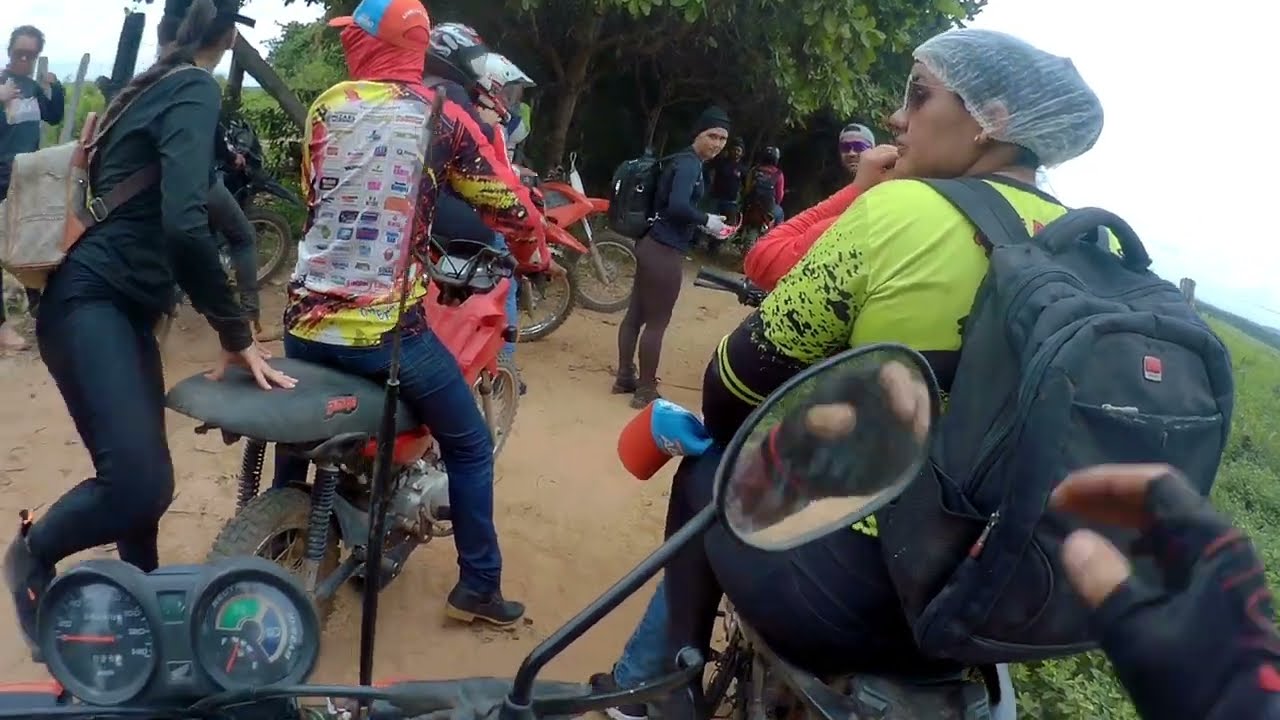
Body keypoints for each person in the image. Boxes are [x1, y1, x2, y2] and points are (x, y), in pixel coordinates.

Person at [593, 27, 1106, 717]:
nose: (898, 118)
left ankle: (664, 691)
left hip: (862, 590)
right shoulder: (1091, 249)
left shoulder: (905, 209)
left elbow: (734, 384)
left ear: (994, 122)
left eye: (918, 96)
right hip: (1001, 605)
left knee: (710, 464)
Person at [3, 0, 286, 655]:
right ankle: (30, 555)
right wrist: (235, 331)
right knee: (137, 481)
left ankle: (144, 595)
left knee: (143, 477)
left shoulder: (149, 88)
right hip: (91, 303)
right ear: (225, 36)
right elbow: (186, 224)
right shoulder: (192, 86)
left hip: (110, 307)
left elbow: (189, 198)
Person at [275, 0, 547, 626]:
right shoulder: (440, 114)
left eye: (354, 36)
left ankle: (285, 529)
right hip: (382, 332)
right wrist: (533, 248)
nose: (348, 45)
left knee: (296, 429)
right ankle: (478, 586)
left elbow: (315, 195)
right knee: (471, 446)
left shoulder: (328, 104)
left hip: (304, 322)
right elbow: (504, 201)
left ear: (372, 45)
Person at [154, 14, 262, 338]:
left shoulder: (159, 76)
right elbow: (209, 137)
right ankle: (248, 317)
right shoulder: (200, 81)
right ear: (229, 38)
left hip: (151, 179)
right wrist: (232, 157)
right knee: (242, 236)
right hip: (195, 178)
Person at [614, 105, 729, 409]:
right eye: (712, 135)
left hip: (650, 243)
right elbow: (677, 206)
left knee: (636, 315)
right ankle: (645, 389)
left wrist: (705, 221)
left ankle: (625, 376)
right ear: (698, 133)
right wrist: (708, 220)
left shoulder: (680, 160)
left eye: (722, 139)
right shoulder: (689, 165)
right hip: (664, 250)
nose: (717, 144)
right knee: (656, 322)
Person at [742, 143, 898, 292]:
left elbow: (763, 262)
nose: (852, 153)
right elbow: (779, 193)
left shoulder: (756, 170)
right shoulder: (778, 174)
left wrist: (857, 188)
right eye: (845, 147)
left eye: (859, 146)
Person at [0, 24, 64, 349]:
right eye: (19, 53)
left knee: (33, 244)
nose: (23, 60)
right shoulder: (1, 83)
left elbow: (54, 117)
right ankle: (1, 328)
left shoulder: (34, 88)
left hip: (27, 178)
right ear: (9, 51)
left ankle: (41, 313)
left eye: (30, 55)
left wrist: (55, 87)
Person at [742, 145, 785, 226]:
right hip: (768, 208)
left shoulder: (754, 170)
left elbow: (747, 189)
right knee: (780, 212)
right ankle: (777, 236)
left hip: (751, 205)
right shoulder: (778, 174)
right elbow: (779, 196)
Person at [705, 138, 744, 224]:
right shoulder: (721, 161)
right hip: (715, 198)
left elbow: (745, 185)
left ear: (742, 153)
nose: (736, 152)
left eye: (738, 150)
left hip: (731, 202)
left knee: (727, 227)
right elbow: (709, 170)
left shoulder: (742, 168)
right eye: (734, 149)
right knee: (709, 223)